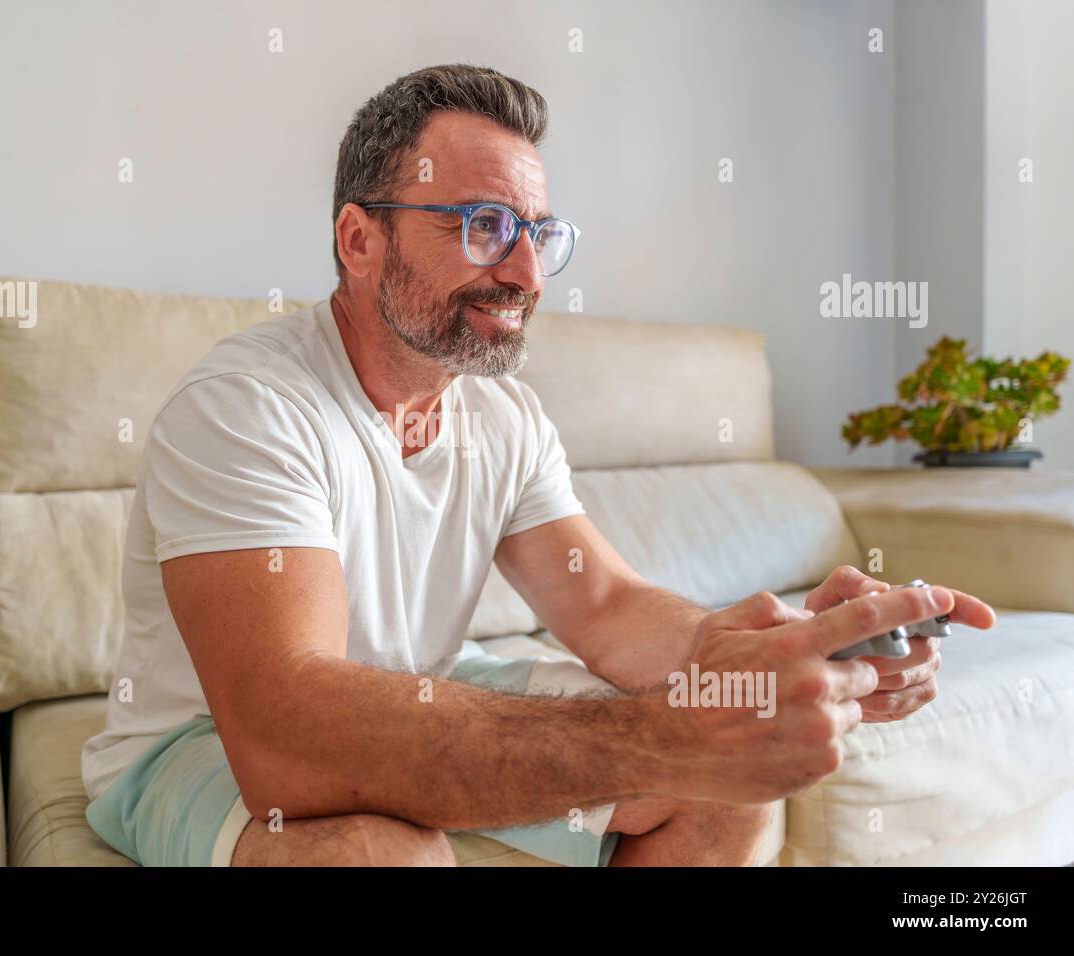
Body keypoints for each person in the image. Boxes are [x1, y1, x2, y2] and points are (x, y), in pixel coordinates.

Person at [81, 63, 995, 867]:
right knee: (380, 856)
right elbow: (285, 733)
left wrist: (776, 654)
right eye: (483, 226)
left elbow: (602, 604)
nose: (526, 273)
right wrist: (662, 739)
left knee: (730, 786)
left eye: (538, 233)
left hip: (425, 680)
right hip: (200, 738)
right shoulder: (247, 409)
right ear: (359, 241)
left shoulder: (502, 415)